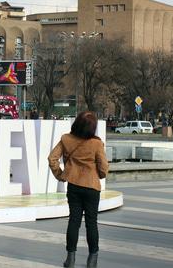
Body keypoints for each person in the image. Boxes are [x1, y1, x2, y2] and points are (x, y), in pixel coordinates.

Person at [48, 111, 109, 268]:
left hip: (74, 186)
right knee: (91, 222)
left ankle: (70, 259)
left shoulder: (66, 139)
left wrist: (60, 175)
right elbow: (103, 168)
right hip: (92, 187)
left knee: (74, 221)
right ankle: (92, 260)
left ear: (76, 123)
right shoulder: (96, 143)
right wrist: (100, 175)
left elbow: (52, 158)